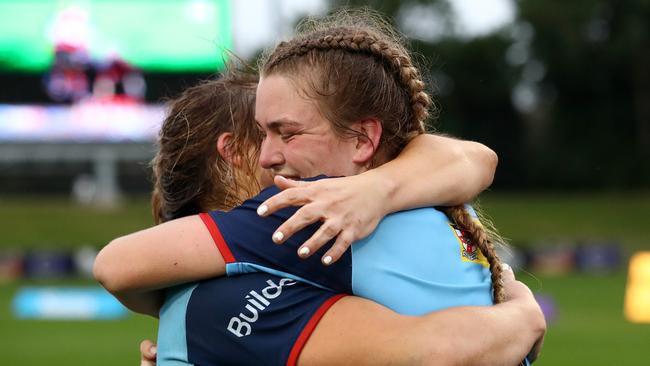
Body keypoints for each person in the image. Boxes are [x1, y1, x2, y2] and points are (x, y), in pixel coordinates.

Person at [95, 11, 544, 365]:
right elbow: (475, 158)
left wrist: (182, 330)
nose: (272, 156)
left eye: (286, 133)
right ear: (230, 153)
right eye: (264, 134)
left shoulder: (308, 214)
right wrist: (520, 314)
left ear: (365, 140)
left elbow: (116, 266)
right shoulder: (411, 201)